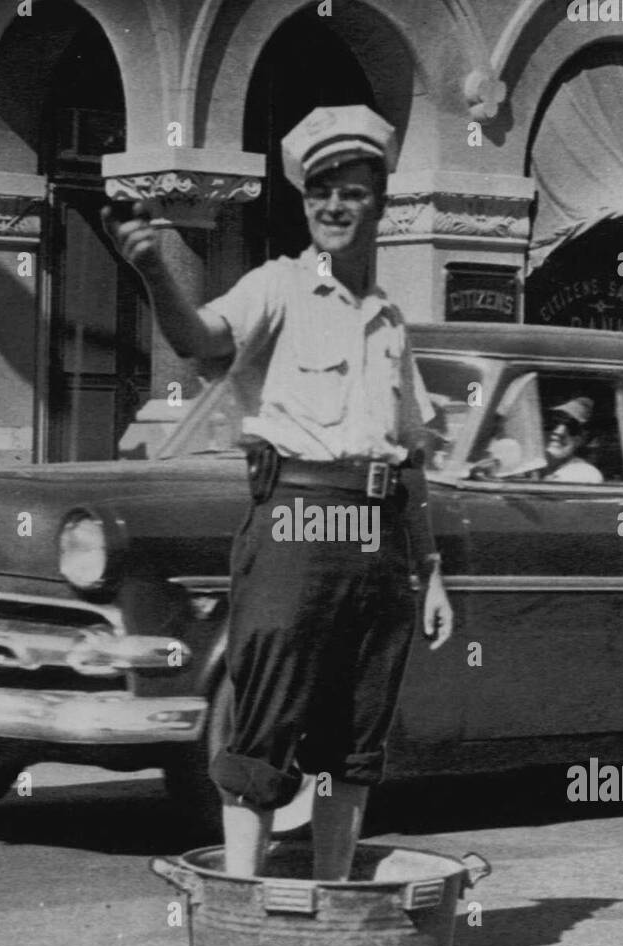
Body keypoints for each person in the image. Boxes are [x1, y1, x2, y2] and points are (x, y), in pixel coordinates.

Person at [103, 104, 454, 881]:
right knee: (265, 723)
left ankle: (333, 893)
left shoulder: (391, 320)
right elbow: (199, 338)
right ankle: (238, 898)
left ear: (381, 201)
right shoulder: (279, 288)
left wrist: (428, 572)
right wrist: (155, 269)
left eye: (351, 190)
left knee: (354, 738)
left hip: (378, 537)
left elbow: (412, 453)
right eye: (319, 189)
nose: (333, 205)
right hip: (294, 521)